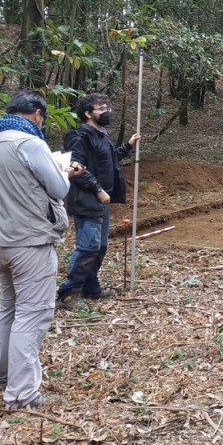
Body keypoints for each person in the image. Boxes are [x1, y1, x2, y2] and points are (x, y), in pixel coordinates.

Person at [0, 91, 82, 409]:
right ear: (36, 114)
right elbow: (59, 188)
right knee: (33, 313)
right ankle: (22, 393)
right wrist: (63, 170)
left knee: (8, 308)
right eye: (42, 116)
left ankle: (2, 376)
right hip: (29, 239)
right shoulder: (30, 143)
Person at [57, 93, 140, 310]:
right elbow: (75, 166)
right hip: (87, 199)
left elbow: (110, 159)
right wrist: (98, 189)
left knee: (100, 247)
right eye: (100, 108)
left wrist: (128, 146)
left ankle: (90, 286)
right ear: (87, 113)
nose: (106, 112)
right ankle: (68, 293)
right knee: (87, 247)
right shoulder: (79, 137)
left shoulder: (102, 136)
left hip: (102, 201)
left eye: (106, 107)